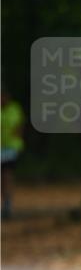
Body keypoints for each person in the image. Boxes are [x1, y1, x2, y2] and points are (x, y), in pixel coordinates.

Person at [1, 89, 25, 219]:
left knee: (7, 175)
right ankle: (5, 203)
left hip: (11, 148)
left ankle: (8, 204)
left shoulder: (14, 109)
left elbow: (19, 127)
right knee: (3, 178)